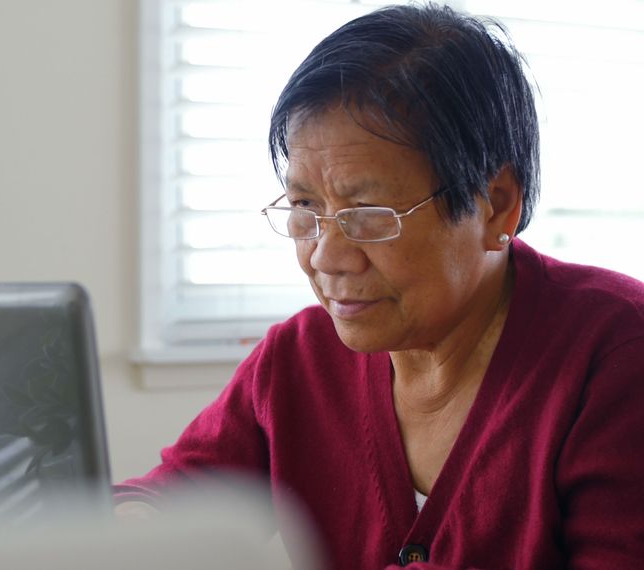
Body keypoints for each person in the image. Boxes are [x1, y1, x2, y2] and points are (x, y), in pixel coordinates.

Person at [114, 3, 644, 569]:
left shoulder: (614, 354)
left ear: (496, 205)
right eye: (304, 207)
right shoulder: (298, 361)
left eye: (370, 213)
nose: (326, 256)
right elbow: (166, 498)